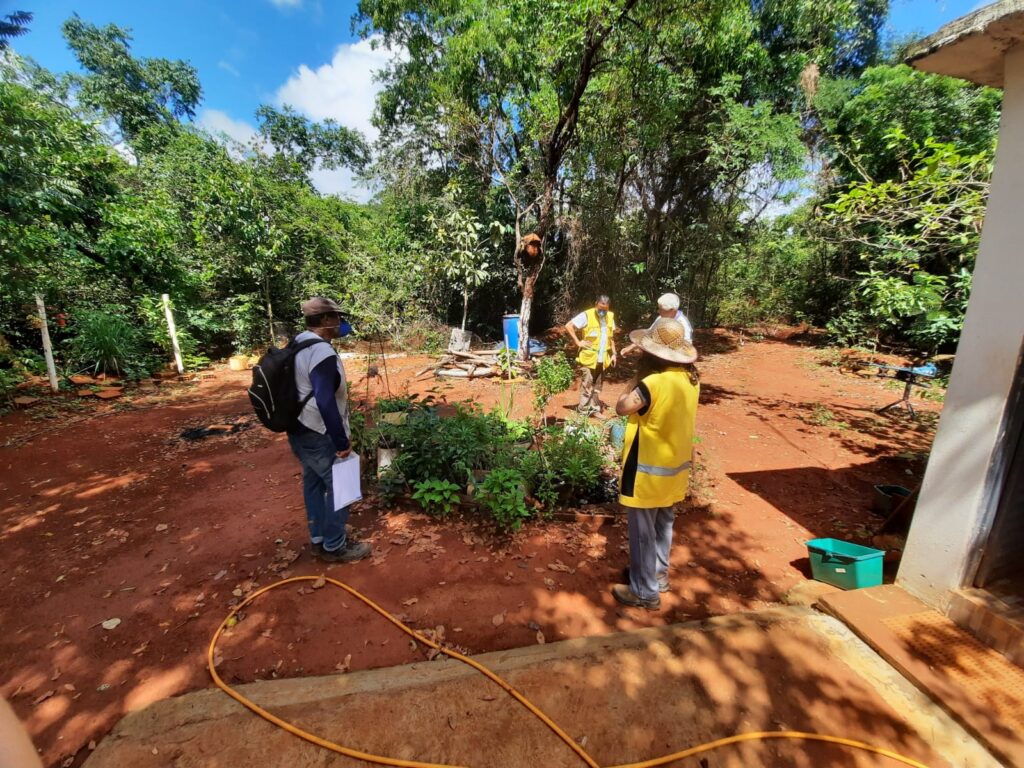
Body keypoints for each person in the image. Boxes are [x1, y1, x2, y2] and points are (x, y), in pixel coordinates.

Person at [611, 318, 699, 610]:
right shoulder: (690, 379)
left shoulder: (652, 383)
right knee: (664, 526)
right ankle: (658, 576)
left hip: (646, 471)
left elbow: (621, 407)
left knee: (642, 533)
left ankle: (645, 592)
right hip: (674, 469)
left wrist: (636, 377)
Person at [288, 297, 370, 563]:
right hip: (319, 430)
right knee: (343, 483)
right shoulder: (322, 352)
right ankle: (335, 546)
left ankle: (318, 539)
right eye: (336, 317)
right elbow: (324, 399)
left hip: (298, 427)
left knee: (313, 483)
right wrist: (340, 440)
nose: (341, 323)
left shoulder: (298, 342)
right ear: (325, 320)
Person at [565, 295, 617, 416]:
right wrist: (578, 342)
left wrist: (614, 353)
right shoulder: (586, 315)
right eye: (600, 309)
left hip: (603, 359)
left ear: (608, 308)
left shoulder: (610, 317)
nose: (602, 312)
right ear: (595, 304)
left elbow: (611, 338)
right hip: (588, 357)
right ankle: (583, 411)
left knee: (598, 385)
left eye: (605, 310)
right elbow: (568, 326)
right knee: (587, 384)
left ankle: (594, 409)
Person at [620, 293, 693, 356]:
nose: (659, 312)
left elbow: (687, 346)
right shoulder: (661, 318)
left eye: (662, 310)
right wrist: (630, 348)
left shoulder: (683, 324)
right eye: (659, 309)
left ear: (673, 310)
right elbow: (649, 334)